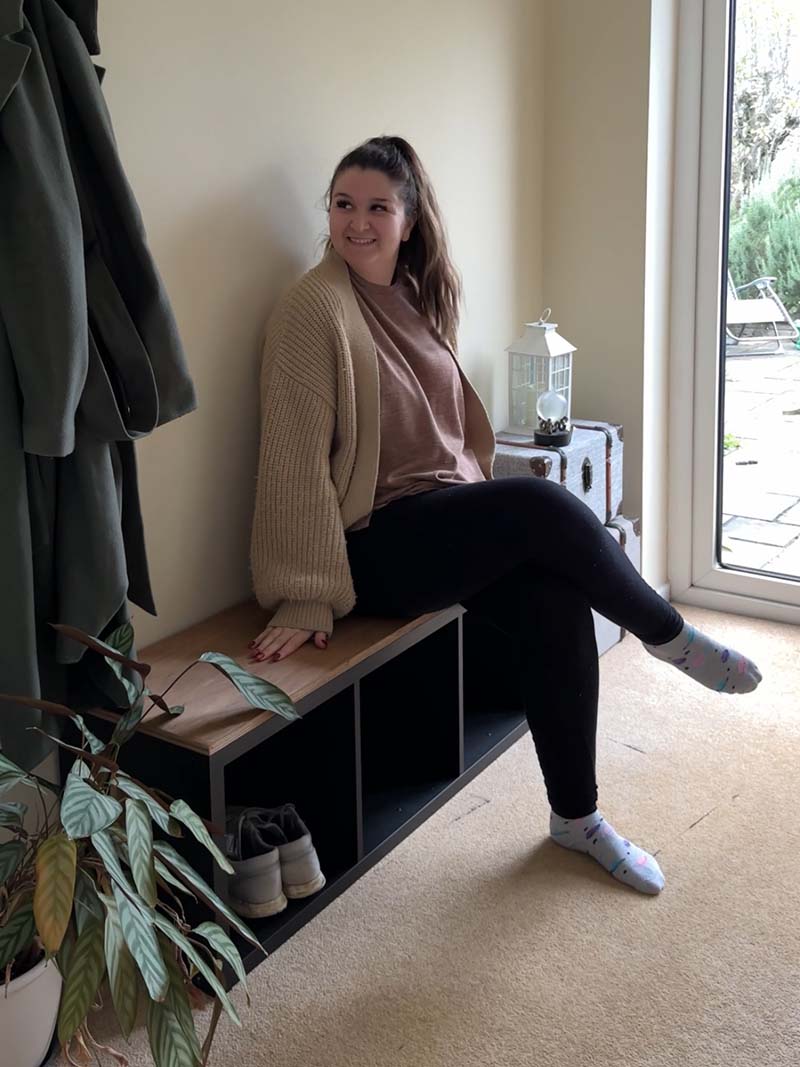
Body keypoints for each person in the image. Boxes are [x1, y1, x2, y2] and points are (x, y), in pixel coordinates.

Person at [248, 136, 762, 895]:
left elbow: (445, 433)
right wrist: (302, 588)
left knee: (555, 600)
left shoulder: (417, 296)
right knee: (538, 501)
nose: (357, 222)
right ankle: (666, 632)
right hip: (374, 542)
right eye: (343, 204)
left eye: (377, 207)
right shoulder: (312, 306)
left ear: (410, 219)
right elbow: (291, 455)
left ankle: (576, 816)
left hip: (440, 517)